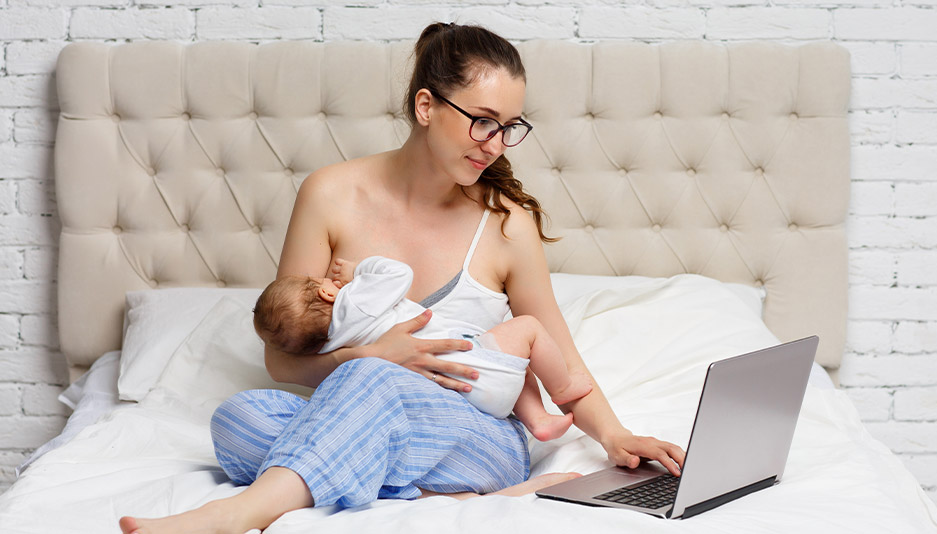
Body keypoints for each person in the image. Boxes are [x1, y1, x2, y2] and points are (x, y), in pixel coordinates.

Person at [119, 22, 685, 534]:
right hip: (369, 412)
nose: (495, 144)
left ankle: (234, 515)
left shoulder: (508, 223)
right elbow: (282, 358)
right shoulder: (330, 195)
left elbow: (555, 344)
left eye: (509, 127)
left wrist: (613, 435)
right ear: (425, 106)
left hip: (478, 435)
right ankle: (417, 491)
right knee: (238, 420)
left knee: (376, 382)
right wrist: (372, 356)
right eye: (482, 122)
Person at [253, 255, 593, 441]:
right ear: (327, 293)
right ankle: (560, 390)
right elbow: (398, 273)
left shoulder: (328, 347)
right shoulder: (354, 301)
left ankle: (537, 421)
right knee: (529, 330)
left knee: (511, 366)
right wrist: (358, 271)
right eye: (322, 283)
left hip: (457, 397)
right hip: (473, 363)